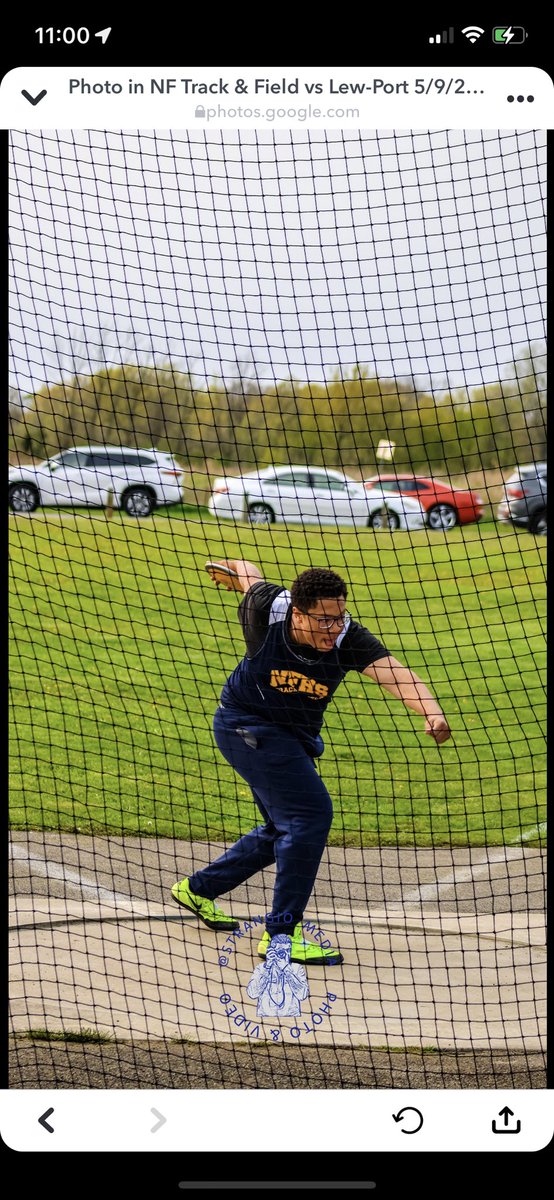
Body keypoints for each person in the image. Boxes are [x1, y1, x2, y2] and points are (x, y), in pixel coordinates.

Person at [172, 561, 451, 966]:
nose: (333, 628)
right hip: (245, 726)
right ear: (297, 612)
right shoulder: (266, 610)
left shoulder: (346, 638)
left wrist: (431, 711)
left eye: (339, 618)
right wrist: (233, 572)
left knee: (283, 827)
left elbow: (398, 675)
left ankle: (199, 889)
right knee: (309, 817)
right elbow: (251, 575)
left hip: (293, 737)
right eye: (323, 620)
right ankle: (282, 935)